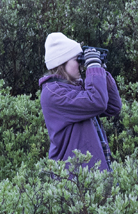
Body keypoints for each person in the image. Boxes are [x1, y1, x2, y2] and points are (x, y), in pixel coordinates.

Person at [38, 32, 122, 172]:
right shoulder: (53, 94)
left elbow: (113, 107)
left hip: (91, 171)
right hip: (73, 177)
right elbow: (97, 101)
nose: (82, 65)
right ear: (61, 63)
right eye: (78, 59)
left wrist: (101, 71)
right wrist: (94, 68)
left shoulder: (74, 86)